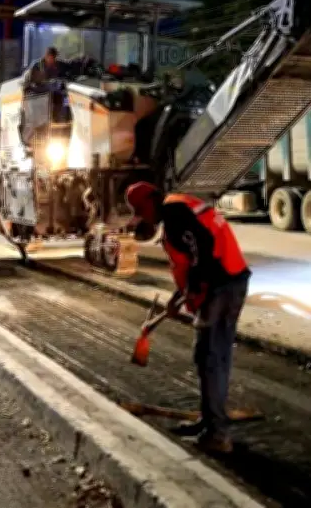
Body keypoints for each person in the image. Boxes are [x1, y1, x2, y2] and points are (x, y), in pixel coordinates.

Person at [124, 181, 251, 454]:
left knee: (211, 358)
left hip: (223, 286)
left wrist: (193, 291)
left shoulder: (175, 214)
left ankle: (217, 434)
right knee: (209, 356)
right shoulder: (178, 208)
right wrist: (180, 295)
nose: (142, 218)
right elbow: (195, 258)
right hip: (227, 281)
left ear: (149, 202)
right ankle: (208, 421)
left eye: (140, 211)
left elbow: (202, 255)